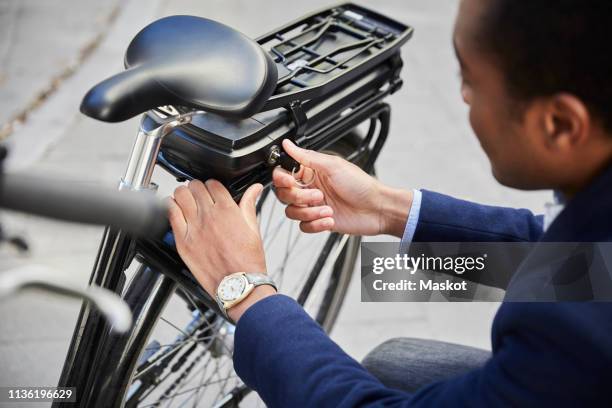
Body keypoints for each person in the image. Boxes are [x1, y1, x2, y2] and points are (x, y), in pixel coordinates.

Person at [167, 0, 612, 406]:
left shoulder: (571, 334)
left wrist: (246, 291)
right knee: (394, 363)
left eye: (471, 80)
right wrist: (387, 210)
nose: (463, 96)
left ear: (560, 124)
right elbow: (587, 265)